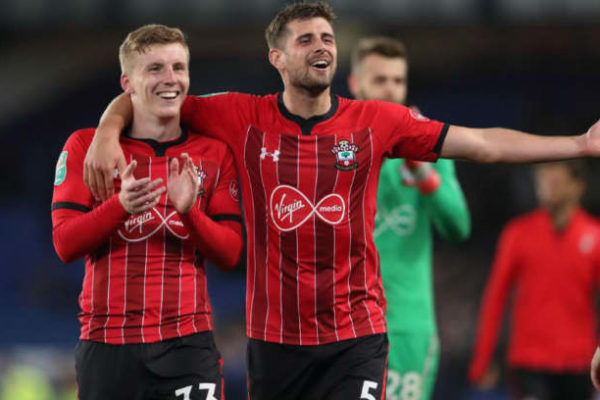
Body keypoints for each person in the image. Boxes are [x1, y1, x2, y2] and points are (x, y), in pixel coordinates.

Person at [82, 3, 600, 399]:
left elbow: (483, 144)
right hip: (274, 342)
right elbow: (154, 92)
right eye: (305, 39)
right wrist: (107, 130)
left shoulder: (376, 121)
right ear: (277, 58)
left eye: (327, 38)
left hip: (357, 335)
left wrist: (578, 144)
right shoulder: (240, 116)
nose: (321, 46)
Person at [51, 24, 243, 400]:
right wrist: (120, 206)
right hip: (108, 345)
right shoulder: (86, 148)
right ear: (128, 82)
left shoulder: (214, 154)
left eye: (178, 67)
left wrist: (190, 212)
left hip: (188, 345)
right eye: (155, 68)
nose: (170, 79)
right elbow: (64, 244)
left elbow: (230, 254)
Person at [348, 37, 470, 400]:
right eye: (380, 80)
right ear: (355, 84)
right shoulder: (335, 149)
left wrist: (421, 172)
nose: (390, 89)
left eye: (398, 80)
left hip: (406, 326)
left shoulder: (428, 145)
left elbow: (458, 226)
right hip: (344, 324)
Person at [468, 161, 598, 400]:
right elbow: (495, 298)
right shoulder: (517, 234)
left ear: (577, 186)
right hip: (529, 362)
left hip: (579, 361)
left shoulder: (595, 236)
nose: (546, 188)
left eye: (555, 181)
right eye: (542, 182)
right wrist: (482, 361)